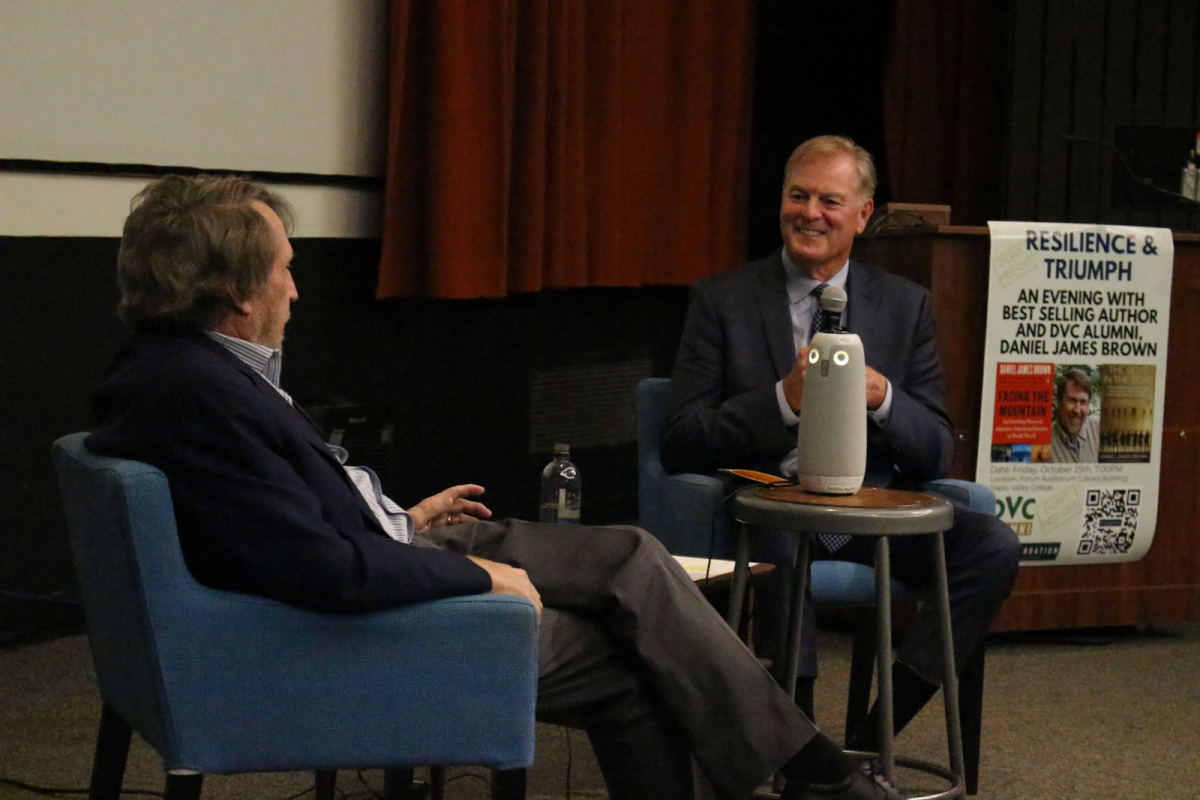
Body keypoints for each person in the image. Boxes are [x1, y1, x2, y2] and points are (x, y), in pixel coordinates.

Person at [85, 174, 905, 800]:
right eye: (286, 272)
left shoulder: (173, 371)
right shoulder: (203, 396)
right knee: (636, 649)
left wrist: (399, 515)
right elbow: (325, 573)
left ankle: (808, 768)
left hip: (378, 544)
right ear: (235, 292)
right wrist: (478, 574)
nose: (296, 290)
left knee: (630, 556)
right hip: (337, 617)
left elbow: (275, 523)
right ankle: (813, 770)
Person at [660, 136, 1021, 751]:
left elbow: (936, 451)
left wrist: (881, 396)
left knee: (992, 544)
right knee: (778, 529)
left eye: (830, 200)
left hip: (866, 511)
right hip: (773, 502)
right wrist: (784, 398)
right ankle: (797, 745)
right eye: (797, 196)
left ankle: (867, 740)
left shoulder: (906, 307)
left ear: (862, 214)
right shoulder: (722, 300)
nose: (810, 213)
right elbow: (679, 440)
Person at [1050, 368, 1100, 463]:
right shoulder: (1042, 443)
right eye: (1072, 401)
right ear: (1059, 402)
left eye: (1083, 402)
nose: (1077, 410)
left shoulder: (1099, 430)